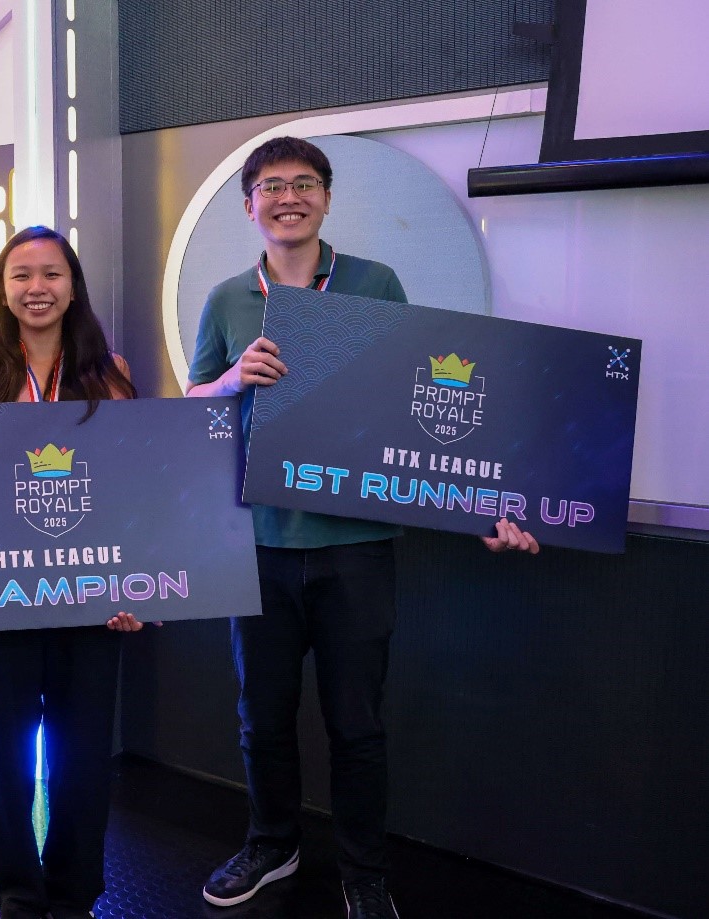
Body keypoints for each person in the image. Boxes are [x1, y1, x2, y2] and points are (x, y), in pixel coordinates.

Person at [186, 137, 538, 919]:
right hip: (257, 545)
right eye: (271, 186)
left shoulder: (375, 283)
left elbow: (419, 406)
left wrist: (479, 507)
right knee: (261, 717)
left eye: (303, 183)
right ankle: (271, 844)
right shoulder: (223, 299)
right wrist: (227, 379)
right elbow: (187, 413)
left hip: (354, 546)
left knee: (357, 723)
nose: (287, 197)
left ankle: (363, 871)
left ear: (325, 198)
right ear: (249, 205)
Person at [0, 225, 142, 919]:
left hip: (89, 599)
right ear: (2, 289)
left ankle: (72, 896)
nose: (36, 288)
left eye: (51, 274)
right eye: (21, 275)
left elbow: (129, 489)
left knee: (82, 758)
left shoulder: (108, 370)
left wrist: (132, 588)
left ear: (72, 284)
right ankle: (18, 898)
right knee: (1, 763)